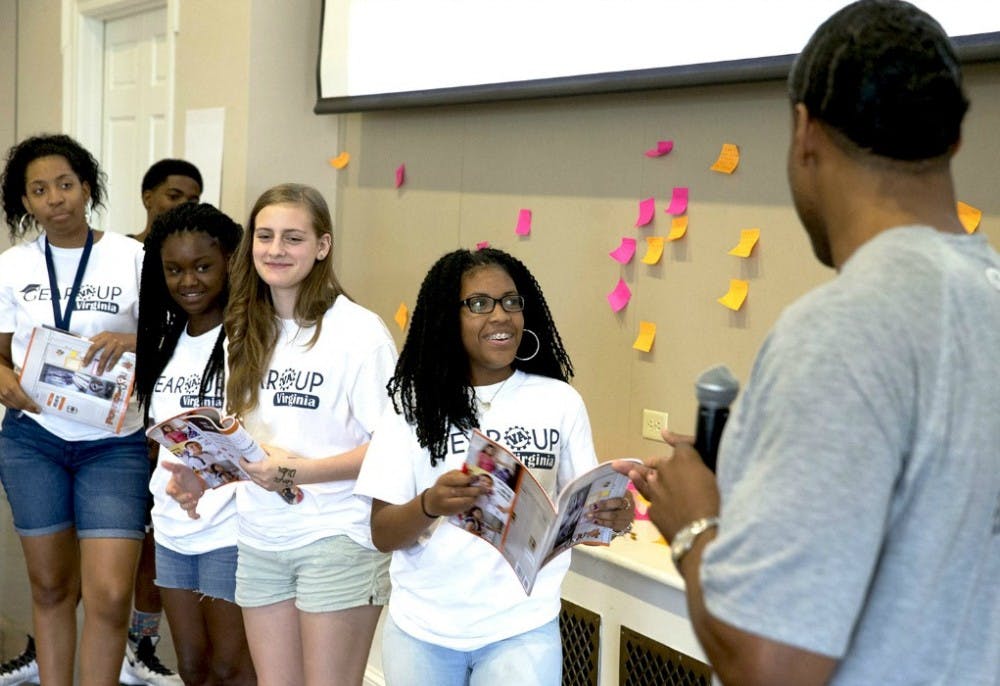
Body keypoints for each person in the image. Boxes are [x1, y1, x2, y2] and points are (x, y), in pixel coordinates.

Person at [616, 2, 1000, 684]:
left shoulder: (845, 330)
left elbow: (771, 665)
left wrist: (693, 525)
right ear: (955, 140)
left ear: (805, 131)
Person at [353, 247, 635, 685]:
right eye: (479, 304)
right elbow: (382, 533)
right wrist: (430, 504)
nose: (500, 315)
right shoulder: (412, 405)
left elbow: (587, 509)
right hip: (424, 631)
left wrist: (617, 516)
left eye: (510, 302)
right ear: (448, 318)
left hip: (523, 628)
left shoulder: (559, 401)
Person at [166, 183, 396, 686]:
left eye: (293, 238)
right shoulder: (244, 328)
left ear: (322, 246)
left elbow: (395, 450)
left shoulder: (359, 332)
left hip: (337, 536)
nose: (276, 249)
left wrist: (297, 472)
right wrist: (204, 475)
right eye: (265, 236)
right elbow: (249, 442)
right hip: (259, 538)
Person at [0, 133, 148, 685]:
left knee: (109, 594)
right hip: (33, 439)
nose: (54, 198)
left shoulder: (132, 257)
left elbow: (171, 337)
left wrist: (131, 342)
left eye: (65, 184)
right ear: (25, 201)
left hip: (114, 442)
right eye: (39, 190)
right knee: (51, 588)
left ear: (87, 188)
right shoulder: (12, 266)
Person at [134, 201, 255, 684]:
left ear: (230, 263)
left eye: (203, 267)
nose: (189, 281)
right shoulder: (164, 339)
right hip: (172, 525)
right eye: (174, 270)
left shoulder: (248, 341)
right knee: (191, 665)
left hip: (231, 527)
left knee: (231, 665)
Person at [125, 158, 202, 686]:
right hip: (113, 427)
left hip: (167, 431)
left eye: (193, 198)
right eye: (175, 195)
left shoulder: (197, 266)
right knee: (107, 543)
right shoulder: (123, 257)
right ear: (148, 196)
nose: (183, 205)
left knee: (155, 543)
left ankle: (142, 646)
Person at [131, 159, 203, 244]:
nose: (184, 205)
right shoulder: (121, 248)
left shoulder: (201, 250)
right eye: (174, 196)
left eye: (192, 202)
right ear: (148, 199)